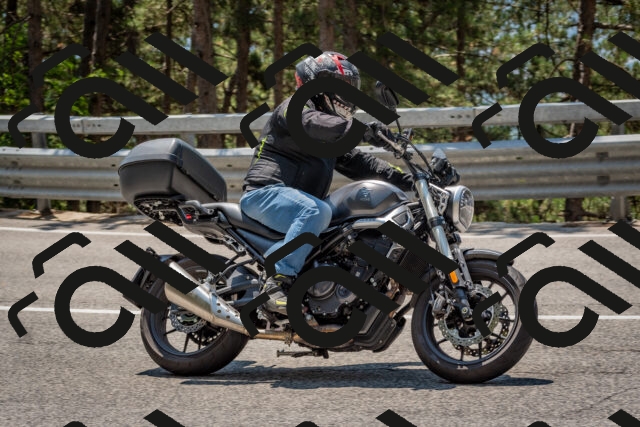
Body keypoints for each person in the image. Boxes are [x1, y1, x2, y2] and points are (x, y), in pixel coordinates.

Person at [239, 51, 414, 314]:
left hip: (297, 205)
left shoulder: (331, 133)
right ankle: (276, 283)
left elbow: (361, 163)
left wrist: (409, 180)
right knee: (317, 211)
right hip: (264, 193)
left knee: (345, 229)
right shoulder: (295, 109)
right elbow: (314, 123)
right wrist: (362, 130)